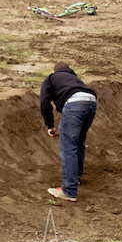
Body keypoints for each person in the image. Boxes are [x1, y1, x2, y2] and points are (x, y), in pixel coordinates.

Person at [40, 62, 98, 202]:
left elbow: (44, 102)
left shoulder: (50, 78)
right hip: (91, 101)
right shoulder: (74, 78)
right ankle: (75, 178)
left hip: (75, 104)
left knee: (68, 146)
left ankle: (69, 190)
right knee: (78, 142)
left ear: (54, 71)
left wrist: (50, 125)